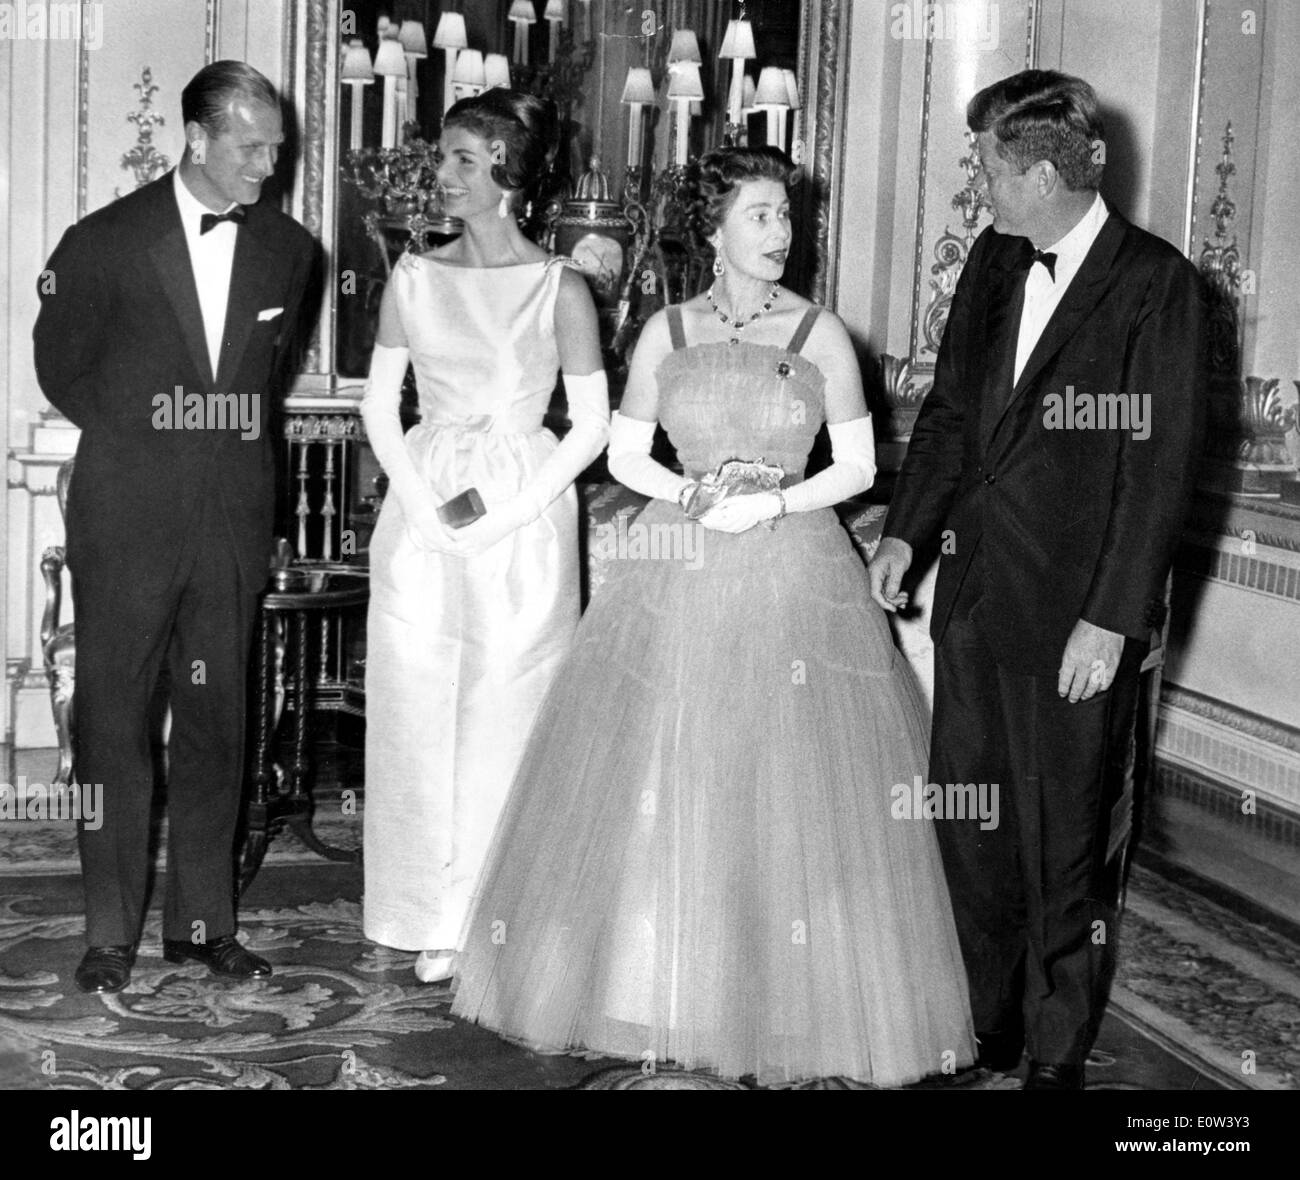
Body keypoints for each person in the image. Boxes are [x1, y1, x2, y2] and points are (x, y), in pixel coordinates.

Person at [451, 146, 975, 1086]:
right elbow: (623, 455)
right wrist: (694, 496)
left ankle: (788, 994)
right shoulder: (668, 331)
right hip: (679, 568)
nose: (783, 233)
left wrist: (770, 502)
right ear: (717, 229)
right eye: (763, 215)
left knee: (786, 777)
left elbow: (857, 468)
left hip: (793, 574)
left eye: (787, 216)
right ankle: (663, 989)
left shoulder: (820, 335)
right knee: (671, 763)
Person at [869, 70, 1207, 1089]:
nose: (978, 190)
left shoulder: (1156, 285)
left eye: (986, 169)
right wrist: (905, 534)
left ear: (1045, 173)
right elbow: (952, 416)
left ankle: (1054, 1055)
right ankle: (989, 1027)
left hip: (1075, 619)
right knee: (971, 824)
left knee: (1066, 844)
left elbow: (1159, 470)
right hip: (974, 601)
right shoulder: (990, 262)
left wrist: (1110, 619)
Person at [32, 61, 319, 993]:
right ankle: (109, 932)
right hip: (126, 516)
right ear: (195, 137)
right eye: (249, 147)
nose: (267, 168)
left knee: (218, 722)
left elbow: (262, 385)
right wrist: (150, 437)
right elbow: (63, 370)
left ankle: (203, 925)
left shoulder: (290, 249)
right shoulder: (101, 241)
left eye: (276, 147)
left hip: (233, 518)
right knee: (112, 725)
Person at [360, 89, 609, 984]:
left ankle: (494, 909)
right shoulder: (414, 276)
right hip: (423, 514)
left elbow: (588, 426)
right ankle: (426, 910)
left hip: (524, 521)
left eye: (464, 159)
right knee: (419, 710)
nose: (443, 175)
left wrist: (506, 515)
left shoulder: (559, 286)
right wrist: (424, 508)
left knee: (506, 709)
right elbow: (378, 407)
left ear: (507, 173)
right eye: (445, 157)